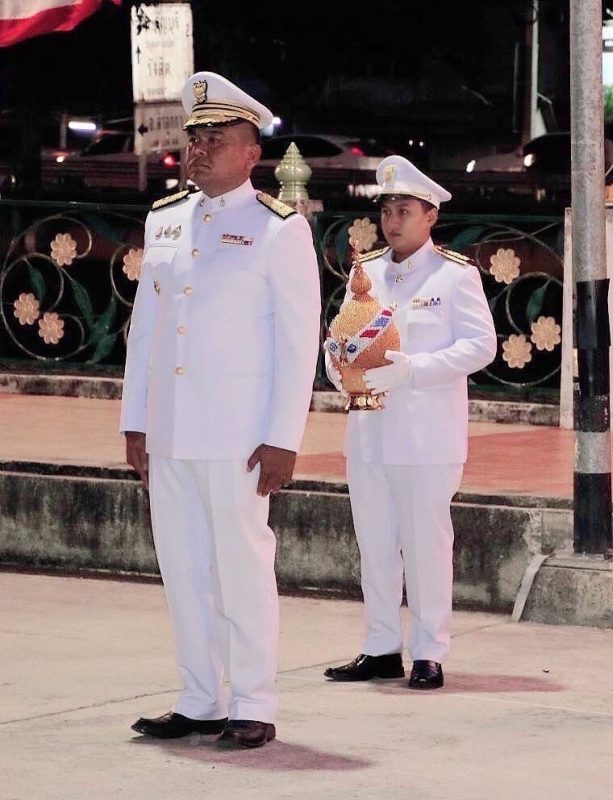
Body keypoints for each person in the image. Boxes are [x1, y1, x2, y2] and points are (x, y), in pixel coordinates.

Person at [120, 71, 321, 748]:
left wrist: (283, 437)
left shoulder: (278, 229)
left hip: (239, 434)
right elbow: (146, 331)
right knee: (183, 570)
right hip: (172, 428)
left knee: (241, 568)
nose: (199, 149)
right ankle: (199, 698)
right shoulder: (165, 219)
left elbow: (297, 342)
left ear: (251, 153)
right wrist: (136, 419)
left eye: (216, 139)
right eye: (195, 137)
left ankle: (253, 701)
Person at [323, 156, 496, 690]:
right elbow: (342, 336)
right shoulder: (368, 272)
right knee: (374, 543)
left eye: (405, 211)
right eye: (387, 211)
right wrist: (338, 368)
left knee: (425, 546)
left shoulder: (454, 275)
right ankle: (379, 647)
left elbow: (481, 345)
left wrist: (415, 369)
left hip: (425, 434)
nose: (393, 221)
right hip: (369, 432)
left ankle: (428, 650)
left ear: (430, 216)